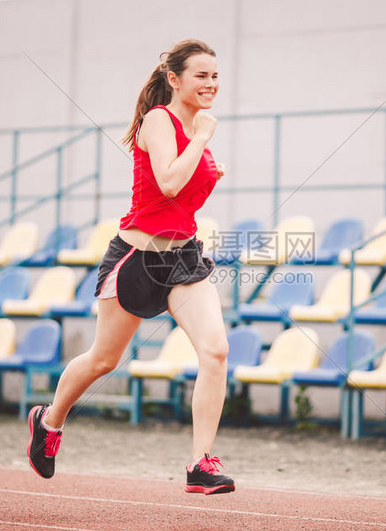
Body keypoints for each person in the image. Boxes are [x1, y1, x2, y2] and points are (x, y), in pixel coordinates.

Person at [27, 39, 234, 495]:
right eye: (201, 75)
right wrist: (201, 139)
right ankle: (49, 420)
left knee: (216, 351)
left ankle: (200, 463)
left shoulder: (196, 126)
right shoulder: (161, 121)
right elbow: (167, 181)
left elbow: (181, 197)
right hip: (136, 259)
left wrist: (209, 170)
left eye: (216, 75)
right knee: (104, 359)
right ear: (175, 79)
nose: (211, 84)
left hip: (183, 259)